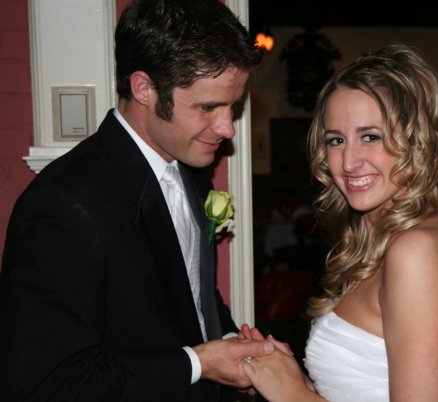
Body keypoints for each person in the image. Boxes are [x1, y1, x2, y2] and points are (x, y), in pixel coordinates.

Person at [0, 0, 273, 401]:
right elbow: (45, 384)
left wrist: (236, 346)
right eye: (207, 107)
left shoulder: (190, 167)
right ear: (144, 88)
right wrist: (198, 363)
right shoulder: (62, 206)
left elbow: (191, 294)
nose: (226, 128)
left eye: (233, 105)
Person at [240, 43, 438, 401]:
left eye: (370, 137)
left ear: (416, 141)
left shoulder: (418, 250)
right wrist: (294, 379)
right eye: (336, 140)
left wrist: (290, 394)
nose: (349, 161)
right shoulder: (392, 237)